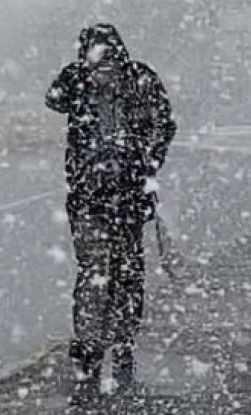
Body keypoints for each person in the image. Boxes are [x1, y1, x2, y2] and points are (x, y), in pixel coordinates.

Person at [45, 23, 176, 391]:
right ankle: (89, 345)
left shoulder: (140, 81)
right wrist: (79, 76)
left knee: (128, 272)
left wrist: (149, 161)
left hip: (130, 197)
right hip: (89, 198)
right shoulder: (77, 83)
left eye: (108, 65)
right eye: (94, 65)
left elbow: (165, 124)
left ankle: (122, 339)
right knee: (94, 272)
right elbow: (53, 98)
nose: (103, 74)